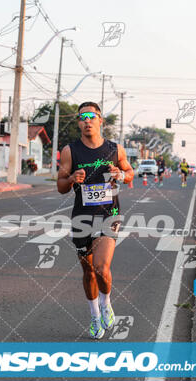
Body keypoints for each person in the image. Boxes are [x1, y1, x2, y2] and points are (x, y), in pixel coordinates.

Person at [57, 101, 134, 339]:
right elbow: (60, 186)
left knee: (101, 267)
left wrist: (120, 174)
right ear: (79, 122)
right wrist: (71, 178)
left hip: (108, 214)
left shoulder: (115, 149)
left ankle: (106, 302)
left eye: (92, 116)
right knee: (88, 271)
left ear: (101, 120)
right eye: (82, 117)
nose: (87, 120)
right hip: (82, 217)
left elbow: (130, 174)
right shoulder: (71, 150)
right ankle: (93, 315)